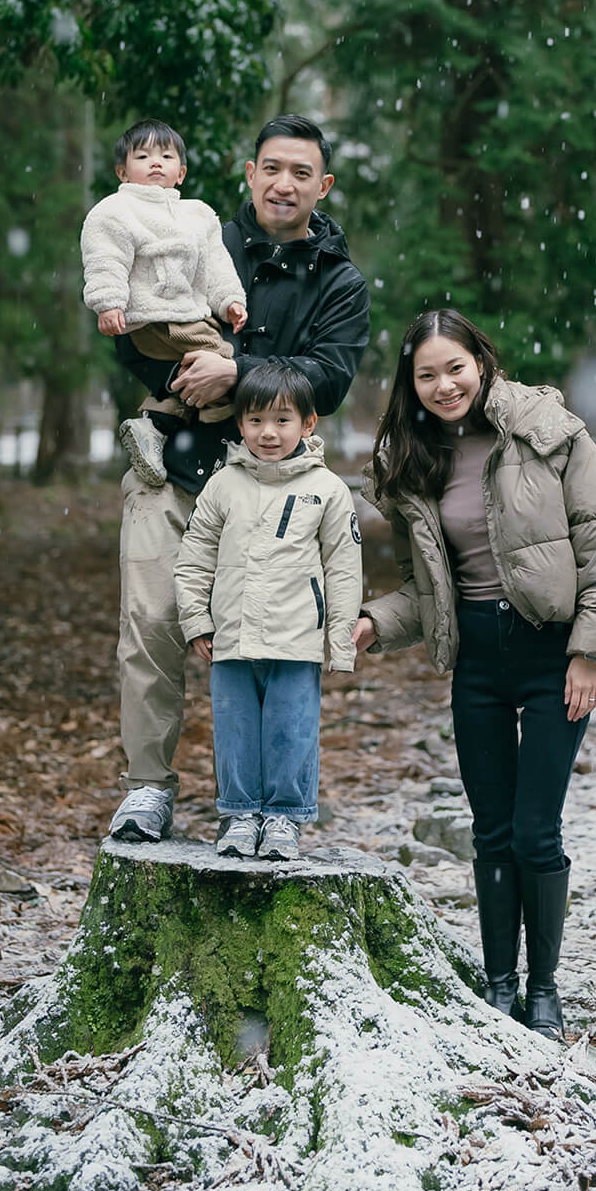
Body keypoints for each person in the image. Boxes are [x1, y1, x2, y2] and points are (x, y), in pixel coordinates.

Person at [353, 310, 596, 1041]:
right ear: (411, 386)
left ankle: (544, 993)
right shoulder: (413, 463)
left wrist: (591, 652)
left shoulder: (551, 433)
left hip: (554, 657)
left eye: (455, 367)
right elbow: (426, 592)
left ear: (481, 361)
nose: (444, 385)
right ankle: (498, 983)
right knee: (490, 831)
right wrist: (372, 623)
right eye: (426, 375)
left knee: (534, 831)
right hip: (478, 662)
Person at [108, 114, 370, 844]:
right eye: (271, 168)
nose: (283, 184)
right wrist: (181, 376)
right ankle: (147, 789)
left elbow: (332, 374)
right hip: (174, 464)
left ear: (323, 185)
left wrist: (240, 372)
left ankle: (266, 808)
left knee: (267, 646)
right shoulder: (195, 237)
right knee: (152, 623)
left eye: (300, 173)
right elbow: (132, 322)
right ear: (249, 173)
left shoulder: (339, 282)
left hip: (274, 494)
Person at [174, 361, 362, 862]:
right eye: (255, 420)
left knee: (291, 727)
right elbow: (194, 557)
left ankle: (283, 817)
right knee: (234, 727)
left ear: (308, 423)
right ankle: (239, 813)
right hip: (231, 636)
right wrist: (196, 619)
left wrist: (339, 641)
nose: (268, 432)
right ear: (239, 425)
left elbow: (344, 570)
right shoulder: (222, 486)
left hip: (296, 637)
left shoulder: (328, 491)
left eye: (282, 420)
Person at [81, 119, 248, 489]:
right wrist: (108, 303)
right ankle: (228, 444)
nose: (156, 162)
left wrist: (230, 301)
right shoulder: (114, 211)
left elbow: (216, 264)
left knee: (204, 375)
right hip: (150, 316)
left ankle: (155, 428)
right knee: (219, 365)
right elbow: (105, 258)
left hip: (192, 315)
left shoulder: (199, 215)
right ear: (123, 171)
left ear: (181, 172)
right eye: (143, 156)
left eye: (166, 156)